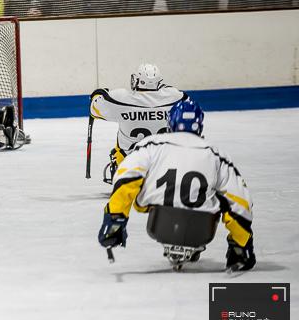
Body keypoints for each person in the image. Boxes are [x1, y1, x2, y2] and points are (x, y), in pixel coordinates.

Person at [98, 98, 256, 272]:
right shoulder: (216, 154)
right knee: (222, 195)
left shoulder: (151, 145)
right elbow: (240, 200)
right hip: (202, 230)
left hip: (159, 224)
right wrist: (241, 244)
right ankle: (235, 248)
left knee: (142, 180)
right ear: (200, 125)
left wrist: (115, 219)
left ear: (170, 123)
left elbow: (127, 177)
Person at [89, 63, 187, 183]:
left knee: (119, 150)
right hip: (163, 162)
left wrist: (99, 93)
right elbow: (187, 105)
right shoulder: (174, 97)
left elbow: (94, 109)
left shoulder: (121, 98)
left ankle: (122, 175)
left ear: (137, 81)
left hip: (131, 165)